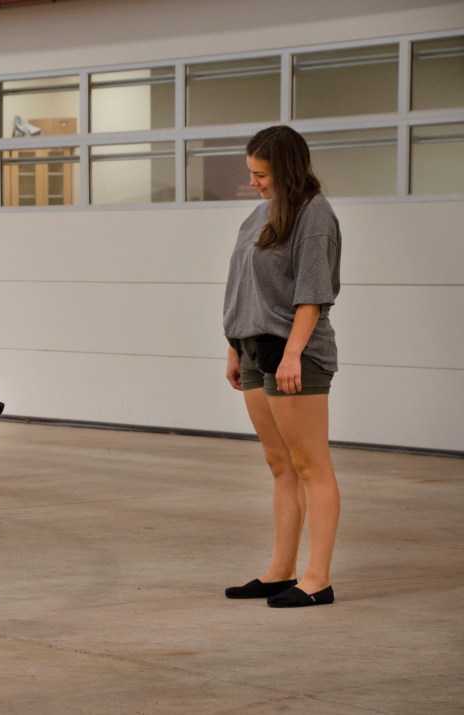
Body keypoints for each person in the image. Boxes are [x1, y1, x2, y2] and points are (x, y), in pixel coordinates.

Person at [222, 125, 342, 608]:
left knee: (312, 465)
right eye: (251, 173)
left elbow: (313, 292)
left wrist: (294, 352)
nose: (254, 182)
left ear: (286, 169)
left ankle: (318, 580)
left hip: (295, 351)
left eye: (262, 174)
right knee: (280, 465)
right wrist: (233, 345)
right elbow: (240, 284)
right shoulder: (258, 215)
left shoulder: (315, 215)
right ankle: (280, 571)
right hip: (253, 348)